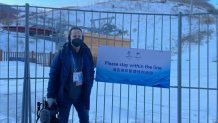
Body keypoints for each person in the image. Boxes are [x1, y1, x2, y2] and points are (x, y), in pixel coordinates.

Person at [47, 26, 94, 123]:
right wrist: (51, 96)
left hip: (81, 96)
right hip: (65, 96)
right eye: (74, 36)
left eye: (79, 36)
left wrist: (89, 88)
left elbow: (91, 72)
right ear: (69, 38)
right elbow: (53, 75)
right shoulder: (62, 53)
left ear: (82, 38)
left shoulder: (87, 53)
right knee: (62, 121)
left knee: (85, 120)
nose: (77, 38)